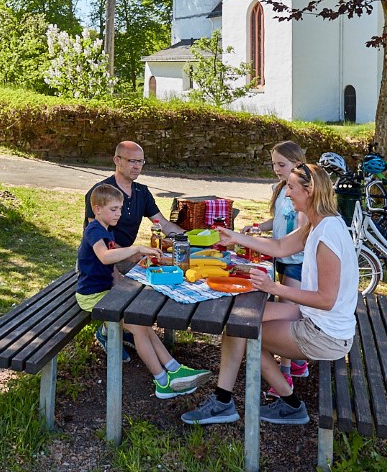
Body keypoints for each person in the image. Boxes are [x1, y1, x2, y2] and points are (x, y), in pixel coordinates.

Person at [181, 162, 358, 426]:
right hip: (316, 317)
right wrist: (235, 237)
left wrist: (274, 288)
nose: (287, 194)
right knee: (237, 322)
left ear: (309, 191)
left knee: (244, 330)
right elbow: (278, 246)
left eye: (291, 187)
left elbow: (326, 299)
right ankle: (225, 401)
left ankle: (286, 404)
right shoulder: (320, 223)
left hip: (326, 332)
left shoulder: (327, 235)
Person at [76, 184, 213, 399]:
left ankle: (175, 369)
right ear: (97, 209)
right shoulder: (94, 230)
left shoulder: (107, 229)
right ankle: (161, 382)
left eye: (120, 209)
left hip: (105, 291)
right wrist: (138, 249)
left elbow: (113, 260)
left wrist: (135, 265)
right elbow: (104, 256)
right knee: (139, 327)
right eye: (113, 209)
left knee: (143, 322)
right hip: (92, 297)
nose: (119, 214)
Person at [255, 141, 310, 386]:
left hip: (296, 262)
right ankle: (298, 365)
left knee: (286, 319)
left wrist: (277, 245)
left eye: (281, 164)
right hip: (282, 259)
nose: (276, 168)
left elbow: (300, 230)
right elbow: (277, 219)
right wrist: (258, 227)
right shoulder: (280, 189)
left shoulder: (303, 193)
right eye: (274, 164)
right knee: (283, 307)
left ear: (297, 164)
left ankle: (285, 375)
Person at [83, 140, 185, 248]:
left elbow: (163, 224)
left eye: (140, 161)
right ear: (117, 160)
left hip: (125, 256)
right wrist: (132, 254)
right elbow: (98, 237)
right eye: (132, 161)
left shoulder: (142, 192)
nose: (137, 166)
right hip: (98, 260)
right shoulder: (100, 191)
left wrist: (188, 237)